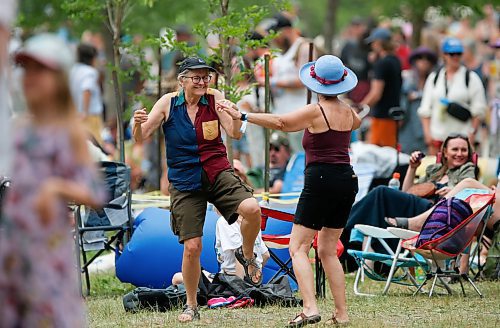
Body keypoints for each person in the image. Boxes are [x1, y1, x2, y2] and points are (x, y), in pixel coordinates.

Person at [217, 54, 361, 326]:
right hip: (346, 179)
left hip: (321, 178)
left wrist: (244, 115)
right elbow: (357, 124)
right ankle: (341, 313)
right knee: (328, 250)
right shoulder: (348, 112)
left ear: (316, 84)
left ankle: (309, 307)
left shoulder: (315, 111)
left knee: (298, 247)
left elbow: (282, 122)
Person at [132, 56, 262, 323]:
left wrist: (236, 117)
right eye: (197, 77)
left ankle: (247, 254)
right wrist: (136, 122)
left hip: (216, 171)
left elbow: (234, 134)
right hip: (184, 180)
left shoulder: (215, 98)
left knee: (252, 208)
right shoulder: (167, 103)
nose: (203, 82)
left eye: (206, 77)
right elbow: (142, 135)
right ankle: (191, 304)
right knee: (192, 246)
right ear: (182, 80)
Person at [0, 34, 105, 327]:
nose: (30, 78)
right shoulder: (18, 130)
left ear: (59, 79)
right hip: (13, 250)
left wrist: (57, 187)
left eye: (40, 71)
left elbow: (96, 192)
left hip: (47, 253)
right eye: (26, 70)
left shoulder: (68, 132)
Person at [344, 134, 477, 251]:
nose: (459, 154)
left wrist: (451, 191)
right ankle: (373, 254)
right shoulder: (435, 170)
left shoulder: (467, 169)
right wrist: (412, 168)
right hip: (418, 211)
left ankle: (344, 225)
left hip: (438, 214)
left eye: (464, 150)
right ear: (445, 152)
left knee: (381, 192)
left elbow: (468, 191)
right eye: (455, 149)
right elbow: (408, 192)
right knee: (380, 203)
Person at [418, 37, 487, 155]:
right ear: (444, 55)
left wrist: (472, 134)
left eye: (458, 54)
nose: (455, 57)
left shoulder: (470, 78)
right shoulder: (434, 78)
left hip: (462, 140)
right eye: (452, 54)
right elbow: (425, 110)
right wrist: (427, 134)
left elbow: (479, 110)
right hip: (438, 138)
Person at [268, 12, 315, 153]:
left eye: (277, 34)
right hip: (283, 116)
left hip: (300, 114)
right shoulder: (283, 52)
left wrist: (273, 82)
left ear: (286, 30)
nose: (275, 39)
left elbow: (304, 80)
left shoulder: (304, 47)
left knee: (300, 156)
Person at [215, 160, 270, 277]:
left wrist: (244, 289)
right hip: (243, 280)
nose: (234, 179)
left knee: (179, 279)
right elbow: (264, 255)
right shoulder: (252, 218)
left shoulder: (229, 221)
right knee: (178, 278)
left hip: (235, 282)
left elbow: (242, 256)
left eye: (237, 174)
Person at [360, 27, 402, 148]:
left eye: (373, 42)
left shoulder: (382, 63)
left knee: (379, 154)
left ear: (379, 43)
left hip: (382, 117)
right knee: (390, 153)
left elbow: (376, 94)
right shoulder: (395, 61)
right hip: (393, 116)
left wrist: (361, 108)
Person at [399, 47, 438, 154]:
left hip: (428, 130)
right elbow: (402, 105)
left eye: (428, 59)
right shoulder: (408, 79)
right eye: (420, 58)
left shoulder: (436, 81)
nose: (424, 62)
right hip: (408, 130)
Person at [70, 43, 105, 144]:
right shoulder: (90, 72)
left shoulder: (74, 70)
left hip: (75, 115)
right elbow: (87, 89)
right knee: (96, 144)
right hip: (89, 116)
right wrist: (84, 111)